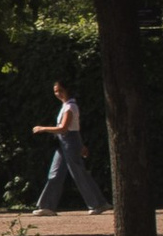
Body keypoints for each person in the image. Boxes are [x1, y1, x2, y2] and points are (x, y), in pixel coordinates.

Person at [32, 78, 108, 215]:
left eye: (60, 90)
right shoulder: (66, 106)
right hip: (64, 142)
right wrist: (81, 144)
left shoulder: (70, 107)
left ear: (67, 90)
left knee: (79, 173)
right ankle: (47, 206)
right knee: (55, 173)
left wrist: (42, 128)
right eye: (56, 91)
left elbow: (64, 128)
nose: (58, 94)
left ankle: (98, 204)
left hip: (69, 141)